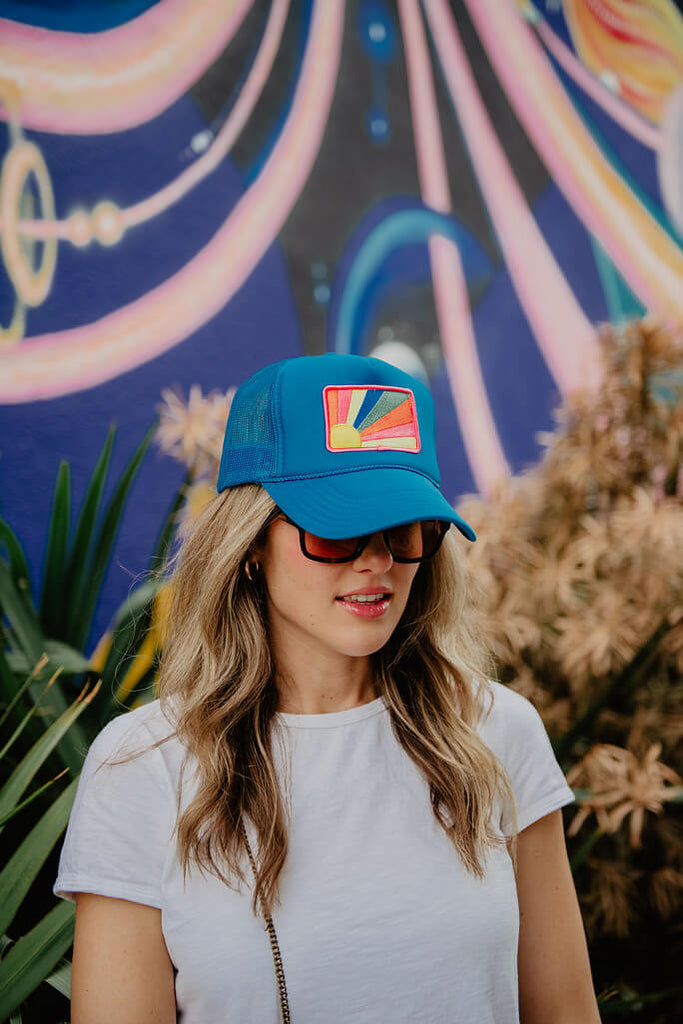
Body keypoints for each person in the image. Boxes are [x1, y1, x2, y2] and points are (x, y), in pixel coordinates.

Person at [54, 353, 601, 1023]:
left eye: (402, 529)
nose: (376, 561)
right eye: (335, 530)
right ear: (250, 543)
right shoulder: (145, 766)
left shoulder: (494, 734)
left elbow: (565, 1012)